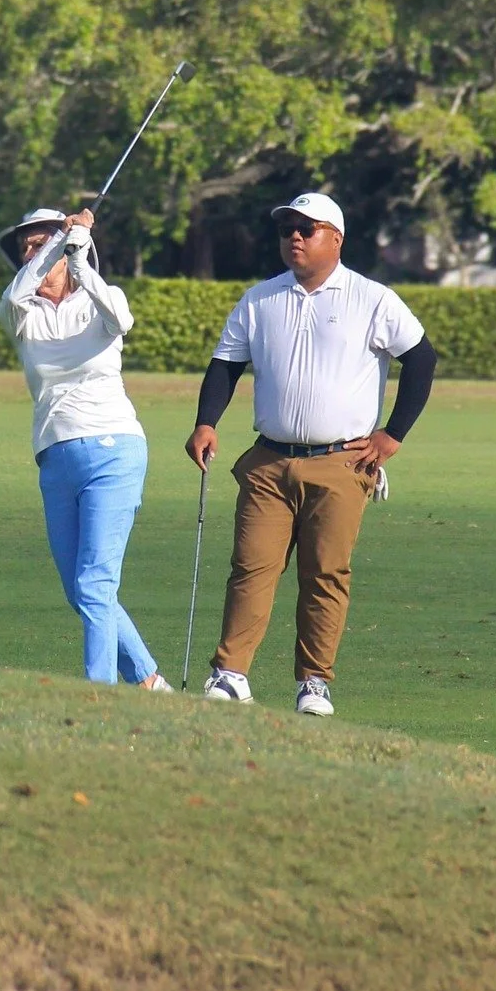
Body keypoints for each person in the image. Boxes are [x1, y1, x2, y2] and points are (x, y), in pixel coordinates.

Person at [184, 191, 438, 716]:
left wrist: (392, 435)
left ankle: (314, 682)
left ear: (336, 238)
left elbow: (421, 359)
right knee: (251, 567)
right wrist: (206, 422)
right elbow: (226, 364)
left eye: (307, 229)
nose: (294, 238)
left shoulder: (372, 298)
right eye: (287, 230)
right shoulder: (260, 299)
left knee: (324, 574)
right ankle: (230, 674)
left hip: (342, 461)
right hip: (269, 460)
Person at [0, 205, 171, 692]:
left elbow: (122, 319)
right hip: (55, 457)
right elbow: (16, 291)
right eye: (27, 247)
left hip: (114, 450)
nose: (31, 254)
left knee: (96, 584)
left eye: (40, 244)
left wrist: (79, 258)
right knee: (80, 591)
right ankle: (149, 682)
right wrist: (61, 239)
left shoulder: (101, 298)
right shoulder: (21, 310)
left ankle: (100, 695)